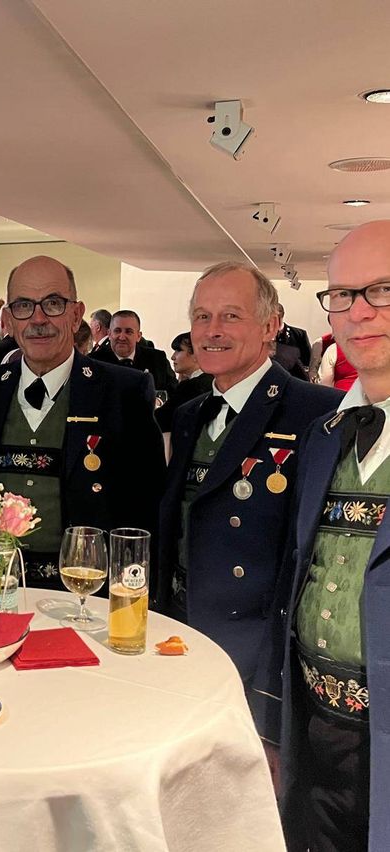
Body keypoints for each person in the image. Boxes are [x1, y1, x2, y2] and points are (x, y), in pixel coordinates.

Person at [156, 261, 341, 750]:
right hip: (180, 627)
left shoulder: (316, 411)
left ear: (270, 326)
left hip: (252, 648)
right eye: (201, 316)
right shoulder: (191, 411)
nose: (212, 331)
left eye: (230, 316)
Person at [259, 220, 390, 850]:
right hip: (314, 732)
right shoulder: (321, 438)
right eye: (342, 294)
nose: (360, 312)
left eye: (383, 290)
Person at [0, 256, 165, 589]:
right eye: (23, 306)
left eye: (52, 303)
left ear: (76, 313)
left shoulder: (125, 391)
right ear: (7, 319)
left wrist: (127, 591)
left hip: (87, 594)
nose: (38, 319)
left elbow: (147, 503)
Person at [93, 309, 177, 395]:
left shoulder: (157, 359)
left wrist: (159, 400)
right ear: (109, 334)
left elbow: (173, 392)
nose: (122, 337)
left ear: (138, 336)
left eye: (128, 332)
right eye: (117, 331)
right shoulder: (94, 362)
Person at [154, 331, 213, 436]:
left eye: (178, 350)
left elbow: (161, 419)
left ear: (196, 355)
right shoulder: (212, 380)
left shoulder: (191, 386)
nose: (173, 357)